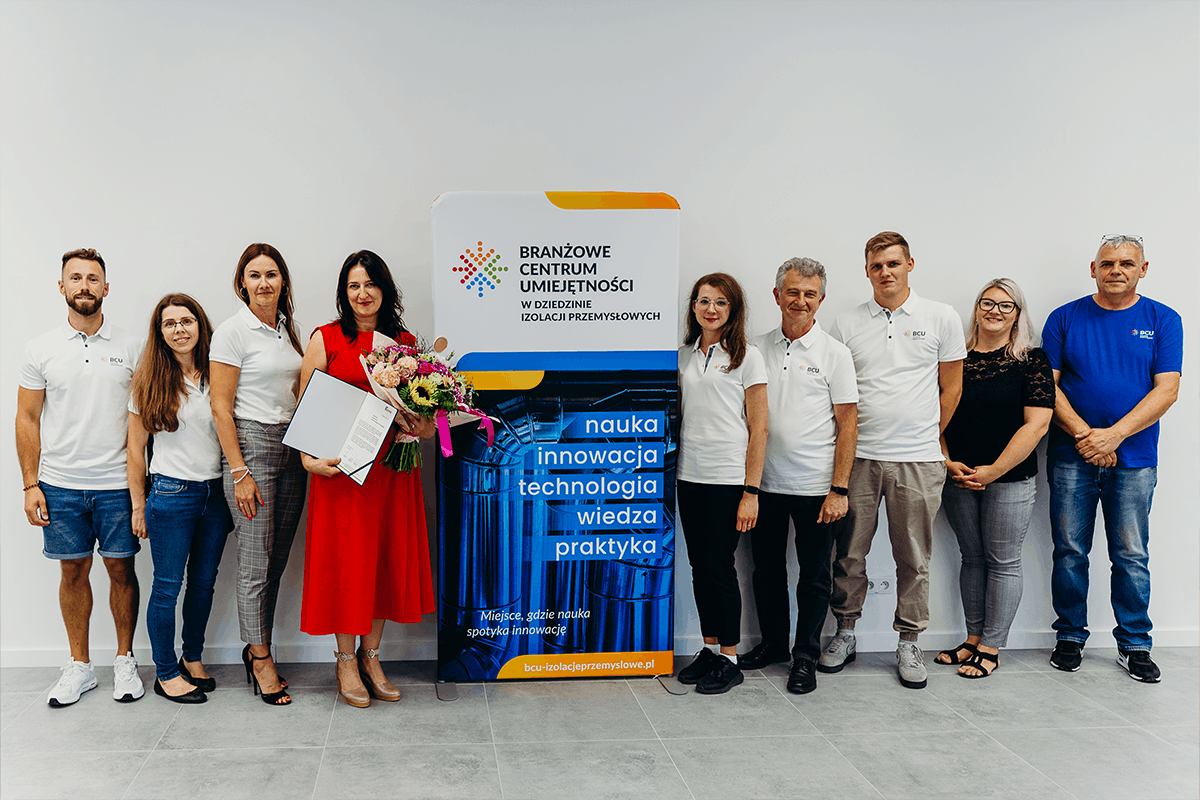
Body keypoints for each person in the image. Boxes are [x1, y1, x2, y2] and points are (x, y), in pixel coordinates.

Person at [824, 231, 965, 689]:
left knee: (914, 557)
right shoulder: (845, 323)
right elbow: (834, 392)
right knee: (849, 554)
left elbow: (952, 388)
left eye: (893, 263)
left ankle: (909, 641)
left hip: (918, 459)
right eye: (877, 265)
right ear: (867, 271)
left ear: (909, 265)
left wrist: (928, 433)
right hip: (859, 458)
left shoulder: (941, 317)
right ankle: (846, 633)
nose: (885, 272)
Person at [298, 250, 436, 708]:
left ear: (385, 289)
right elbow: (305, 407)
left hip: (392, 472)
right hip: (341, 472)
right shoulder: (325, 339)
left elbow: (424, 416)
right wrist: (308, 460)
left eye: (371, 284)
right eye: (354, 286)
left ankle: (371, 656)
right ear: (344, 293)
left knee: (382, 561)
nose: (363, 294)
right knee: (347, 564)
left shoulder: (404, 342)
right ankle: (344, 659)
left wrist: (423, 425)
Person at [1041, 235, 1182, 682]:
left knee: (1131, 554)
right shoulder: (1064, 318)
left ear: (1143, 269)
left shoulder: (1163, 319)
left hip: (1135, 458)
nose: (1115, 270)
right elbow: (1046, 386)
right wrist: (1087, 437)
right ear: (1093, 269)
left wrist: (1114, 436)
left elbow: (1167, 390)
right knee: (1069, 552)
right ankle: (1070, 636)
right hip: (1071, 455)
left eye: (1126, 263)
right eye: (1107, 263)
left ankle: (1135, 644)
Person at [16, 248, 144, 706]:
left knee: (121, 569)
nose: (84, 286)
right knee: (73, 570)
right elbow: (27, 418)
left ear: (106, 288)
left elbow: (143, 419)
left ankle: (125, 660)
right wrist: (30, 484)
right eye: (76, 278)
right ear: (62, 286)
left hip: (117, 483)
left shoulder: (133, 347)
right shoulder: (41, 348)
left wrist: (140, 488)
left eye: (93, 278)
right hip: (60, 484)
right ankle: (79, 665)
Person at [741, 258, 857, 695]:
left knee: (814, 576)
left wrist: (839, 489)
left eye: (810, 294)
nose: (800, 301)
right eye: (792, 292)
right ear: (777, 296)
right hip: (763, 485)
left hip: (816, 488)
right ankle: (773, 645)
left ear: (821, 300)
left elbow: (848, 425)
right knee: (766, 570)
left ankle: (805, 655)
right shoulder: (753, 349)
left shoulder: (835, 354)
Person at [937, 279, 1054, 678]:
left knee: (1003, 562)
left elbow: (1036, 425)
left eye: (1006, 306)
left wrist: (993, 471)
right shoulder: (955, 358)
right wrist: (946, 461)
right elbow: (933, 416)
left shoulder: (1032, 360)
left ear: (1017, 314)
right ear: (976, 308)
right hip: (958, 476)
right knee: (971, 558)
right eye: (987, 303)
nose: (995, 311)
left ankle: (991, 646)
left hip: (1010, 478)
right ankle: (972, 639)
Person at [210, 243, 307, 705]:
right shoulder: (233, 332)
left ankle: (259, 645)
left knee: (276, 559)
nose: (264, 282)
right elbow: (220, 407)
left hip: (292, 447)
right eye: (255, 275)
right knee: (254, 562)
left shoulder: (287, 330)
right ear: (242, 283)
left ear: (282, 281)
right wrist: (239, 472)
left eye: (271, 274)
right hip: (252, 447)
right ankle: (261, 657)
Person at [128, 294, 232, 704]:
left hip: (215, 495)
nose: (179, 330)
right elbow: (135, 450)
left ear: (200, 325)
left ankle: (192, 657)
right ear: (160, 333)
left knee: (203, 584)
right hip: (171, 494)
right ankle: (166, 672)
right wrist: (139, 505)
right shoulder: (149, 381)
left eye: (186, 321)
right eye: (169, 324)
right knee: (167, 587)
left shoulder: (218, 373)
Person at [675, 273, 768, 695]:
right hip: (689, 476)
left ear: (733, 309)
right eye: (703, 301)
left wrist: (751, 492)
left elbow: (760, 427)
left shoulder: (747, 356)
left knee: (719, 567)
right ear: (693, 307)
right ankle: (710, 648)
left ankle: (730, 658)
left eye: (720, 302)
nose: (710, 309)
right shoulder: (683, 356)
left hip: (728, 479)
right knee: (700, 567)